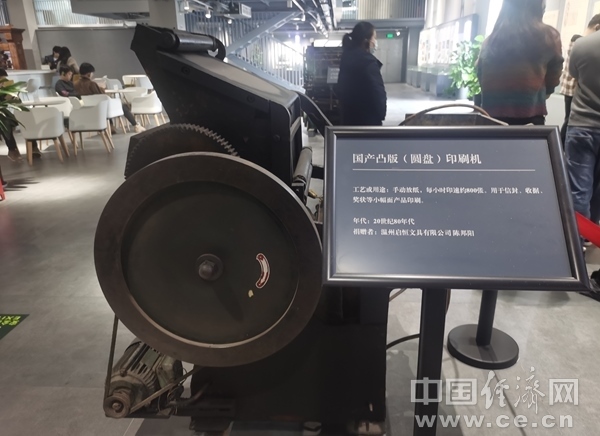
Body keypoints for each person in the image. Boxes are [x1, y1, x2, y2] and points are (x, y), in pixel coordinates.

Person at [477, 0, 563, 125]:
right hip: (530, 118)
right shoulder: (548, 37)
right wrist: (540, 94)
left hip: (491, 119)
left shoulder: (490, 41)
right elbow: (554, 75)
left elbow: (480, 73)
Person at [565, 15, 600, 227]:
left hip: (582, 123)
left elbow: (574, 74)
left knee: (578, 187)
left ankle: (577, 235)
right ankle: (594, 231)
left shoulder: (582, 44)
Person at [337, 21, 386, 126]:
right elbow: (377, 92)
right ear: (365, 41)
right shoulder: (368, 63)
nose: (375, 42)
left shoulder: (346, 59)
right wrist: (381, 113)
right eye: (374, 38)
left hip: (348, 119)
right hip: (368, 122)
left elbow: (340, 89)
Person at [75, 62, 145, 133]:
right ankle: (136, 125)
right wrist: (102, 88)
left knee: (108, 104)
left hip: (87, 110)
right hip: (101, 109)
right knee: (122, 106)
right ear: (89, 74)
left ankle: (111, 127)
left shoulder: (75, 84)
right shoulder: (92, 84)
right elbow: (101, 96)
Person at [559, 34, 582, 145]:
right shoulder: (578, 46)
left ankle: (560, 143)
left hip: (568, 90)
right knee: (569, 120)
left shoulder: (572, 47)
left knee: (568, 119)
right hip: (573, 90)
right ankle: (560, 143)